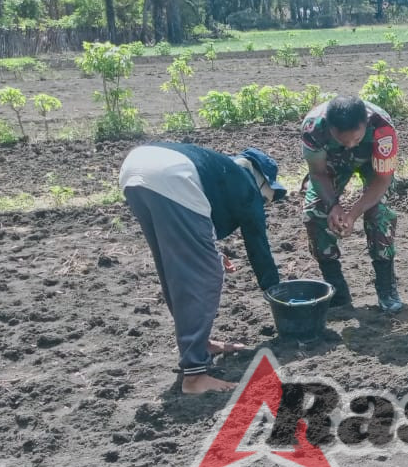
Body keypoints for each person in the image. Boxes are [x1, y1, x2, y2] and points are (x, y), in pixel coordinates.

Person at [119, 143, 287, 394]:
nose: (263, 203)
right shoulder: (248, 186)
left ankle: (201, 344)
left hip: (136, 168)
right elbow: (258, 246)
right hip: (170, 177)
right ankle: (195, 376)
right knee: (205, 276)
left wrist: (214, 253)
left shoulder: (221, 171)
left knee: (173, 267)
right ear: (262, 181)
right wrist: (275, 292)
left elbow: (201, 225)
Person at [300, 95, 403, 313]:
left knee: (379, 213)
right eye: (342, 139)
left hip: (371, 164)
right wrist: (333, 206)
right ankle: (337, 290)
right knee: (313, 213)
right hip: (332, 164)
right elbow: (318, 173)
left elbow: (382, 180)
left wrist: (353, 213)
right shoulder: (313, 129)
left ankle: (386, 286)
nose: (349, 145)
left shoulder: (382, 128)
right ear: (330, 128)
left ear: (365, 124)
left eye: (355, 139)